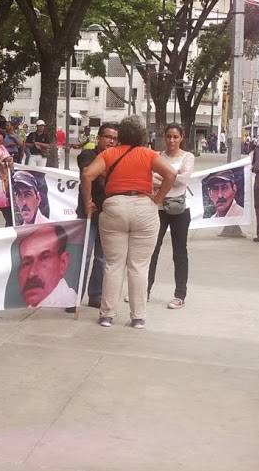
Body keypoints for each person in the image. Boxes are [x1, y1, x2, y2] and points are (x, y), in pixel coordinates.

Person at [81, 115, 176, 329]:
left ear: (121, 134)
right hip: (143, 207)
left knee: (113, 265)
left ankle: (107, 314)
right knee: (139, 266)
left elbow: (87, 175)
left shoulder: (109, 154)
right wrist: (158, 199)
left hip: (114, 206)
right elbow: (170, 174)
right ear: (142, 134)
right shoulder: (148, 154)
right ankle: (138, 317)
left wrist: (88, 201)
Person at [147, 124, 195, 309]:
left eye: (175, 137)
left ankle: (180, 295)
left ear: (181, 137)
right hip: (157, 208)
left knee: (180, 252)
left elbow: (184, 179)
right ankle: (145, 290)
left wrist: (162, 179)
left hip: (179, 210)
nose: (172, 140)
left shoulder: (188, 157)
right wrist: (170, 177)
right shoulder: (157, 156)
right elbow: (149, 178)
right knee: (152, 250)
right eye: (168, 136)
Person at [75, 123, 118, 309]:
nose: (111, 141)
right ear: (98, 138)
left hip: (108, 214)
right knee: (83, 255)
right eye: (108, 137)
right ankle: (74, 297)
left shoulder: (116, 157)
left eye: (115, 139)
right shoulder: (87, 154)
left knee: (102, 258)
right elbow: (87, 173)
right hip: (88, 212)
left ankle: (96, 295)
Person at [16, 224, 77, 308]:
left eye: (44, 258)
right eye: (27, 263)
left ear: (63, 263)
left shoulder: (66, 303)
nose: (31, 273)